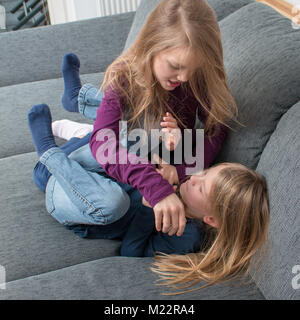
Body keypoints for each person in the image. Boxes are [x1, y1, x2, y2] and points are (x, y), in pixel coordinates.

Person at [59, 0, 240, 238]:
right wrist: (155, 186)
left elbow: (216, 128)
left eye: (193, 69)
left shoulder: (199, 75)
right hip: (129, 136)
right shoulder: (125, 76)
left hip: (160, 145)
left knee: (121, 129)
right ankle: (77, 103)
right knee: (102, 135)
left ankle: (79, 101)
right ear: (152, 46)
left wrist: (181, 170)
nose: (185, 77)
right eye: (176, 66)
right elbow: (104, 142)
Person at [27, 103, 269, 264]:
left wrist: (147, 206)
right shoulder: (185, 179)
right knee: (145, 142)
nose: (194, 177)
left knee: (115, 203)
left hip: (78, 200)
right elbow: (214, 130)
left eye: (201, 186)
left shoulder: (185, 236)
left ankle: (49, 154)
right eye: (204, 173)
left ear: (212, 219)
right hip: (89, 169)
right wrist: (155, 159)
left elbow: (131, 252)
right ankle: (78, 123)